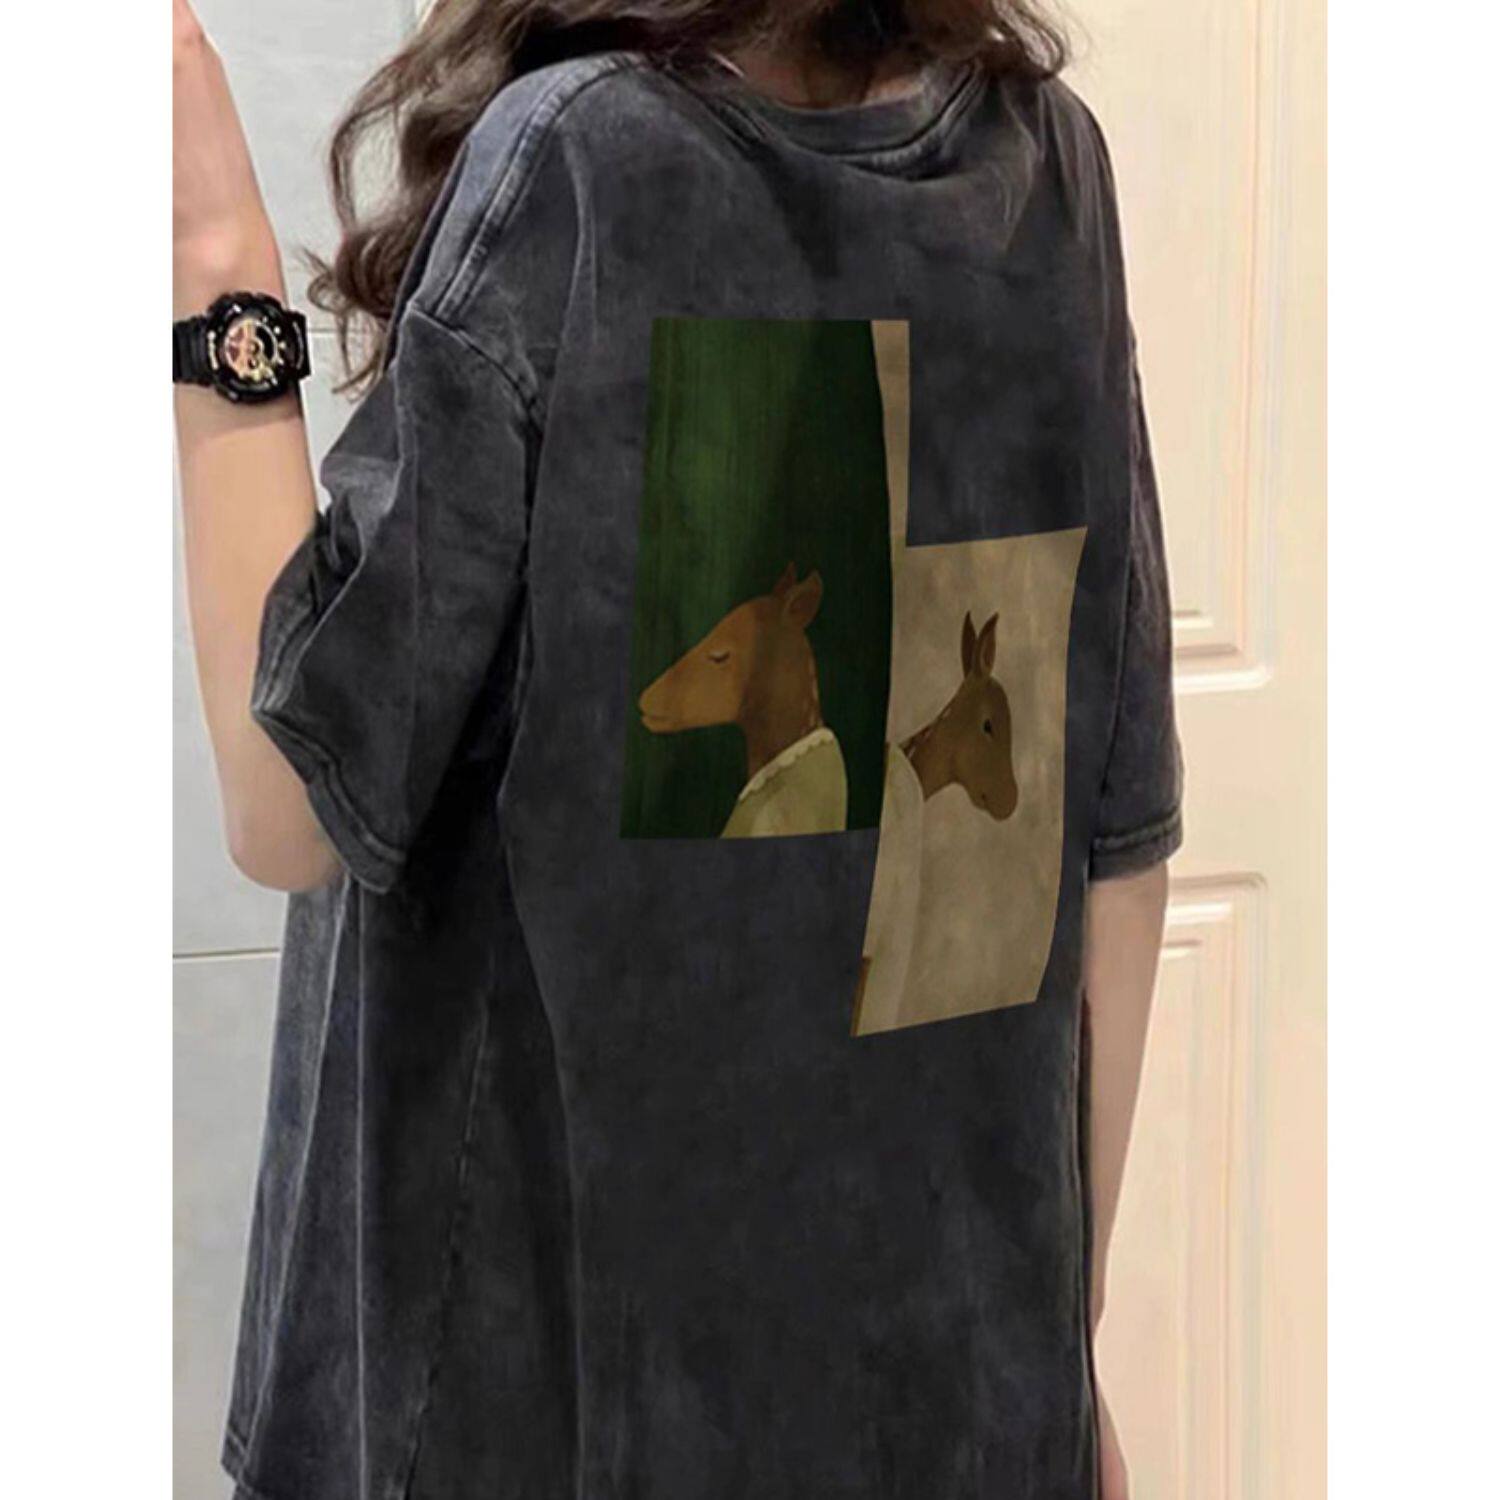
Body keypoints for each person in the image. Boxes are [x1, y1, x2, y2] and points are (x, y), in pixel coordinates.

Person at [172, 0, 1182, 1496]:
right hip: (948, 1411)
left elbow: (291, 802)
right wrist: (1055, 1351)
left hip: (537, 1427)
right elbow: (1111, 842)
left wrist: (212, 261)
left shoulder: (575, 166)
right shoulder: (1049, 173)